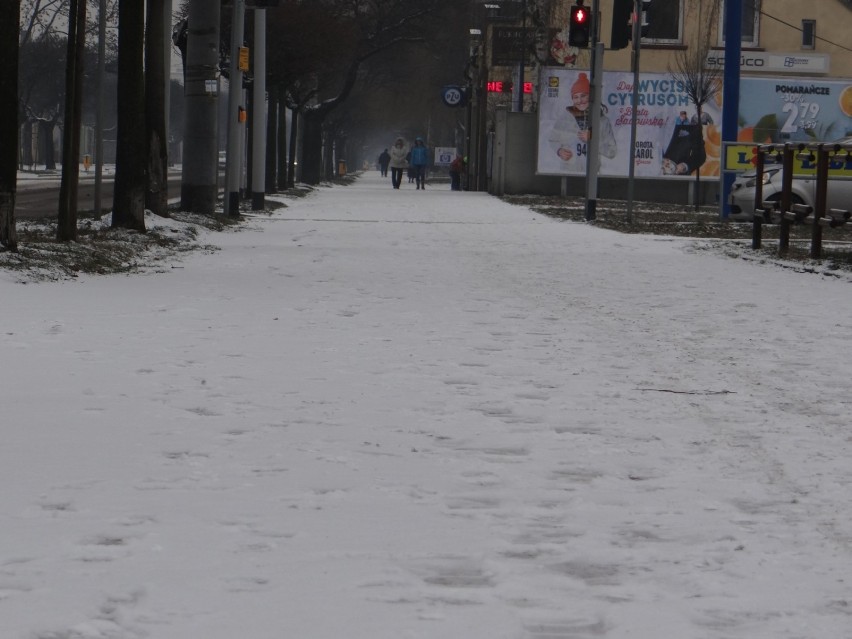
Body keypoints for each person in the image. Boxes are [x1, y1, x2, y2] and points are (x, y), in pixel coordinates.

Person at [547, 72, 617, 173]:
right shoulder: (565, 118)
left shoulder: (602, 121)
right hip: (568, 173)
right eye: (576, 97)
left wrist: (592, 140)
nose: (580, 100)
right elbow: (552, 140)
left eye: (583, 96)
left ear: (591, 97)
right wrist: (559, 151)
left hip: (593, 175)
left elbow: (612, 152)